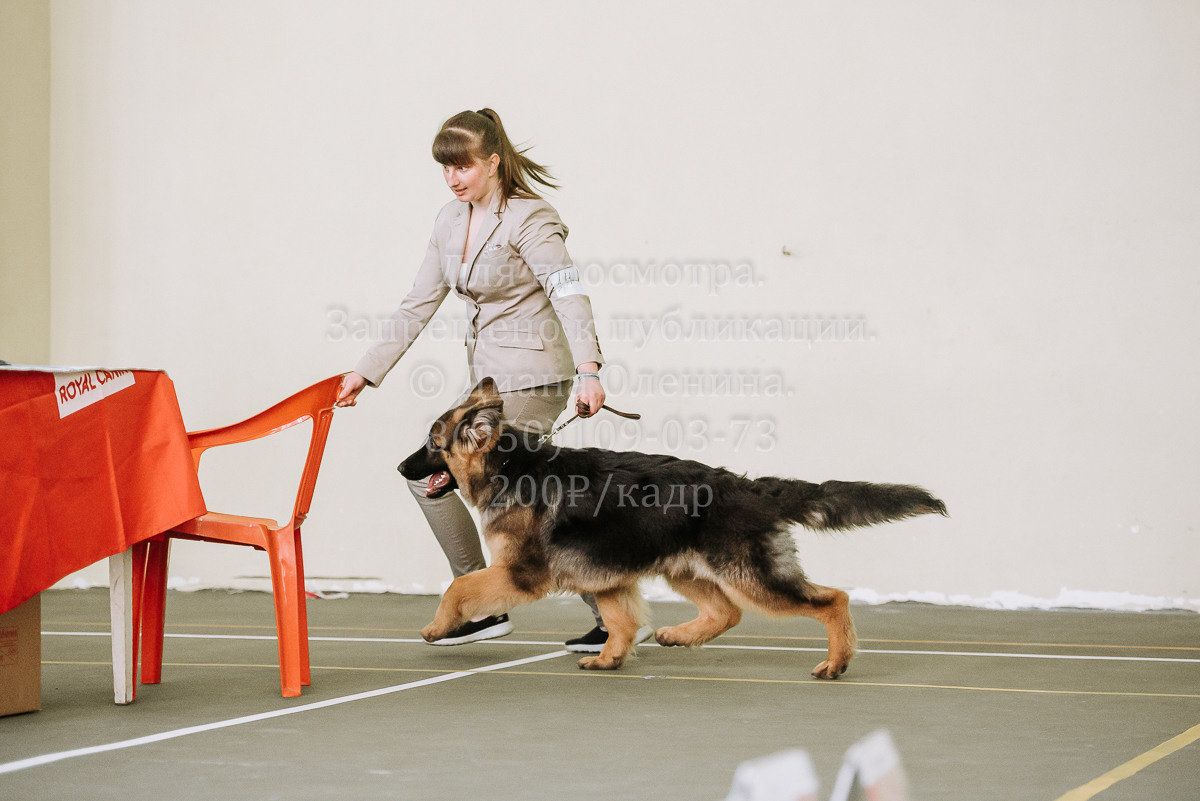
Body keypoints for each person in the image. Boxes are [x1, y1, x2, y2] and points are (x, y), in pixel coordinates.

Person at [337, 108, 651, 652]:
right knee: (430, 476)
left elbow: (568, 292)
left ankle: (604, 615)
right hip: (490, 385)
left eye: (462, 166)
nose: (453, 178)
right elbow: (419, 302)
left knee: (524, 497)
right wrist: (367, 370)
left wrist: (589, 369)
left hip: (536, 376)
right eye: (445, 169)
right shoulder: (449, 220)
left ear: (492, 162)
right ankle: (489, 604)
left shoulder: (532, 219)